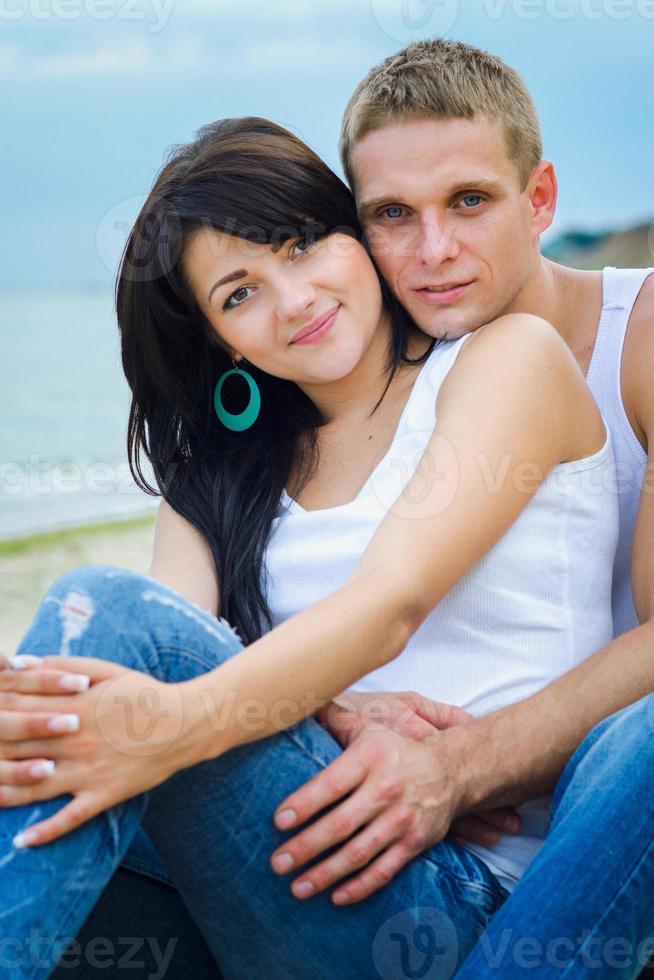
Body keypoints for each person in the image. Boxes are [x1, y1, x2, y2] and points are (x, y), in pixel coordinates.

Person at [0, 112, 631, 980]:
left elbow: (389, 603)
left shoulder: (504, 363)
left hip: (455, 890)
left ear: (356, 236)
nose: (292, 299)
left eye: (301, 245)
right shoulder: (211, 481)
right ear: (220, 341)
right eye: (239, 293)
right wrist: (321, 714)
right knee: (72, 695)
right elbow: (160, 664)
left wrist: (181, 723)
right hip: (286, 868)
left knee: (100, 610)